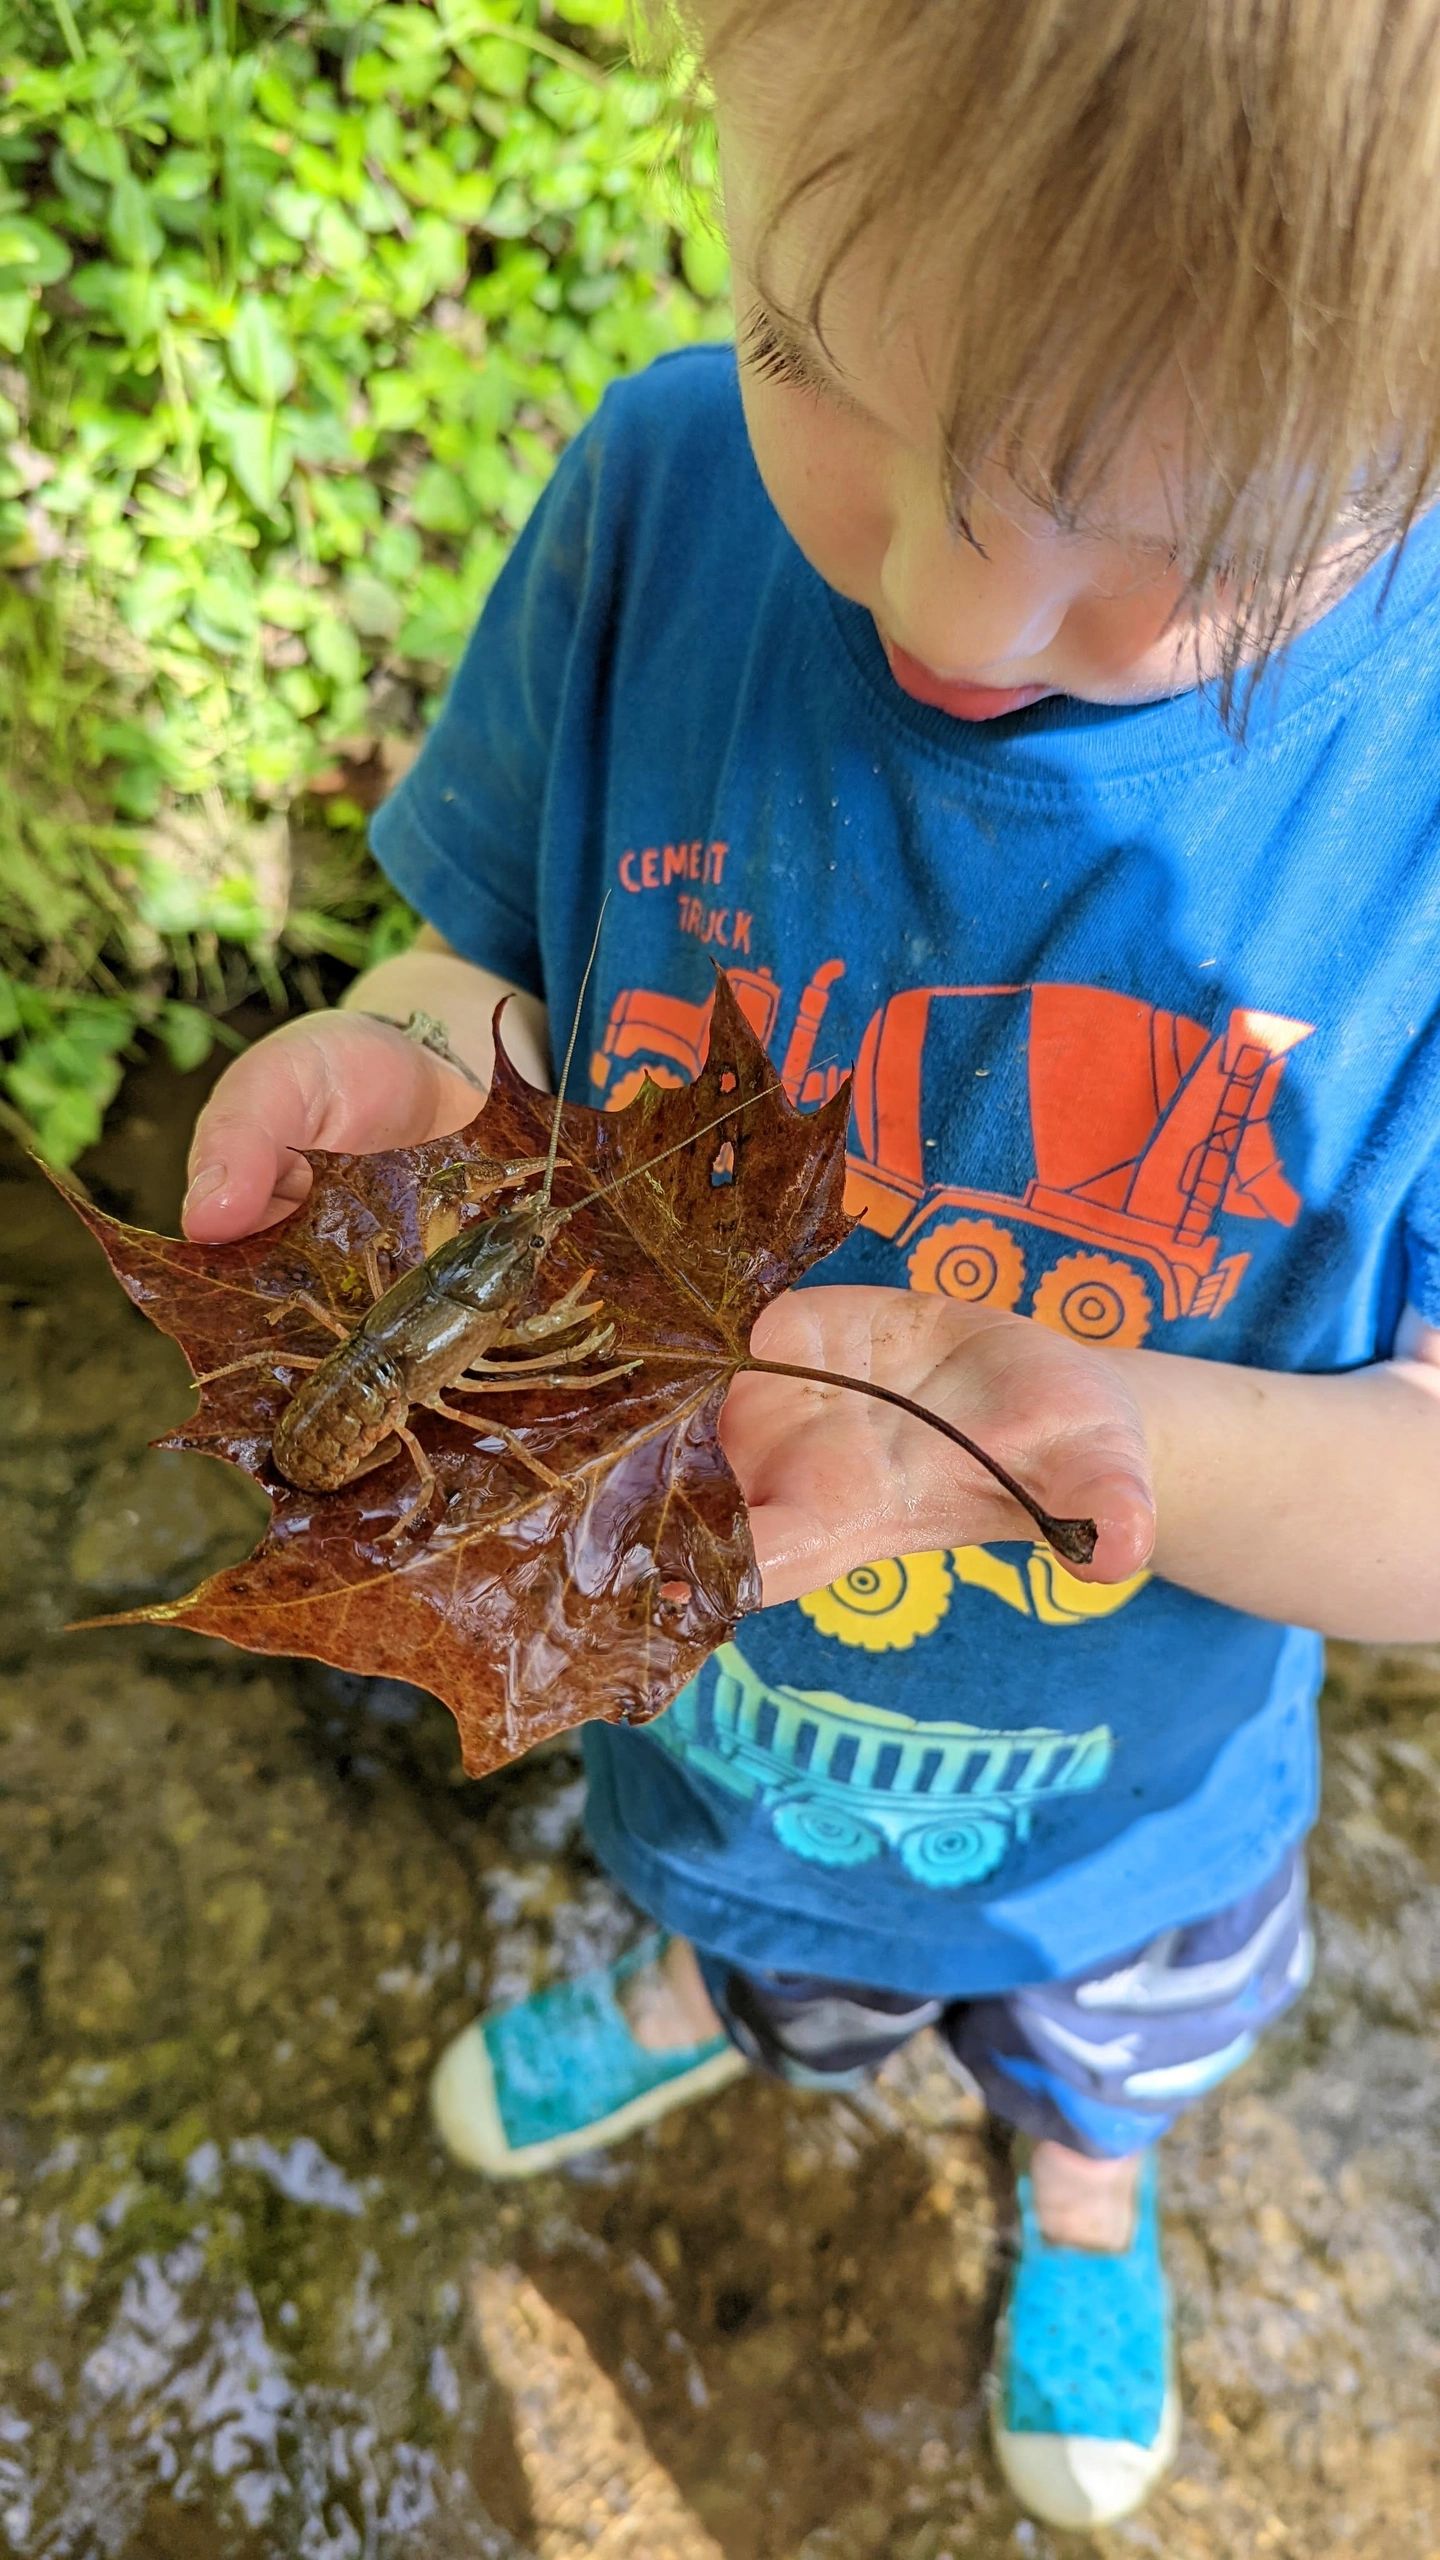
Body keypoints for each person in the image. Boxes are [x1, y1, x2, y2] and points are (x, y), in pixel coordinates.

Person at [181, 0, 1440, 2528]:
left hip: (1136, 1811)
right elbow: (487, 969)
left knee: (1113, 2042)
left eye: (1155, 528)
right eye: (810, 349)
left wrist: (1113, 1440)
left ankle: (1089, 2187)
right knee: (764, 1945)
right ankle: (701, 1984)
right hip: (715, 1699)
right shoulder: (659, 497)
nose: (945, 594)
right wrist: (421, 1055)